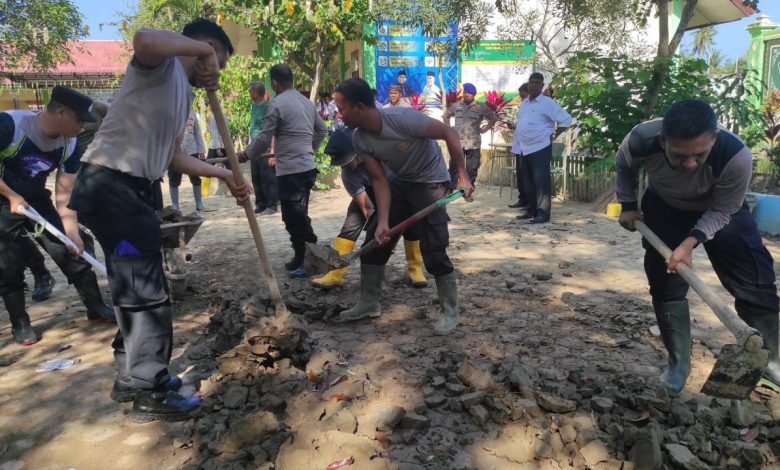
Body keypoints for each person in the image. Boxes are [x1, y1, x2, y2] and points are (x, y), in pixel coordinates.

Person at [68, 18, 250, 421]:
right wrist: (202, 51)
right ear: (201, 47)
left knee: (132, 282)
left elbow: (173, 157)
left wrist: (223, 174)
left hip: (128, 189)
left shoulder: (183, 94)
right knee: (145, 288)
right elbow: (144, 39)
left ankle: (130, 373)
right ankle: (148, 389)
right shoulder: (161, 66)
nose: (215, 73)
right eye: (215, 61)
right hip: (111, 185)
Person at [617, 99, 780, 395]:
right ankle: (679, 363)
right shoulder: (640, 140)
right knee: (664, 282)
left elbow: (724, 210)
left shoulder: (734, 155)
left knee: (755, 281)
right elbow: (624, 167)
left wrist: (691, 241)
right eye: (679, 155)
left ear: (714, 138)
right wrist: (628, 205)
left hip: (721, 209)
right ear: (663, 141)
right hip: (665, 206)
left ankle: (771, 362)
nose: (690, 164)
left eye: (700, 154)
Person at [331, 78, 473, 335]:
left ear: (359, 107)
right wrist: (384, 222)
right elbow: (379, 180)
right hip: (400, 181)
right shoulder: (360, 139)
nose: (338, 114)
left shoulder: (402, 118)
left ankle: (450, 310)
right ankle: (369, 302)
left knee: (434, 248)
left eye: (341, 109)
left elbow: (449, 133)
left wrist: (462, 174)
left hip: (430, 181)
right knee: (375, 238)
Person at [0, 86, 116, 346]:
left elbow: (65, 192)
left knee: (70, 248)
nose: (83, 126)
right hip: (3, 200)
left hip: (36, 199)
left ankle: (96, 306)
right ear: (61, 112)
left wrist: (71, 231)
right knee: (8, 263)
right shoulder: (10, 125)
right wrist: (11, 196)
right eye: (79, 119)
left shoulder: (70, 144)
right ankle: (20, 323)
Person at [241, 64, 328, 278]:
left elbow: (264, 138)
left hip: (291, 172)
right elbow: (322, 130)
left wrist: (245, 155)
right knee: (294, 216)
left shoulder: (277, 104)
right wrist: (308, 148)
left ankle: (311, 260)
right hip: (306, 169)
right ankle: (300, 256)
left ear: (274, 83)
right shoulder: (305, 102)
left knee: (295, 218)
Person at [313, 129, 427, 289]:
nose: (345, 165)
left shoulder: (383, 156)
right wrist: (380, 234)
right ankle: (334, 275)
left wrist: (392, 236)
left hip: (398, 189)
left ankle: (415, 270)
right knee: (350, 226)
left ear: (357, 151)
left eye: (347, 160)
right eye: (341, 163)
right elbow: (367, 208)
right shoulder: (348, 175)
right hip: (370, 193)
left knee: (411, 227)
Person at [514, 72, 572, 224]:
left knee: (541, 182)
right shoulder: (525, 103)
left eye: (537, 83)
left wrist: (554, 135)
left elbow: (566, 120)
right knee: (528, 182)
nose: (534, 85)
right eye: (531, 82)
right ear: (528, 84)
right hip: (524, 148)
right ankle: (532, 209)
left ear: (542, 86)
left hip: (540, 147)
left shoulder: (548, 103)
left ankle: (543, 213)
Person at [443, 82, 496, 188]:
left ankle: (468, 190)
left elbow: (493, 118)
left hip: (473, 143)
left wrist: (485, 130)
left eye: (469, 93)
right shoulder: (457, 105)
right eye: (465, 92)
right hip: (458, 143)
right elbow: (446, 116)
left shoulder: (480, 107)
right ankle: (450, 189)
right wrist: (449, 129)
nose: (466, 94)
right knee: (454, 167)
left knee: (471, 169)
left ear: (473, 94)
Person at [249, 81, 278, 215]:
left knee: (268, 177)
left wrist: (273, 151)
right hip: (254, 146)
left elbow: (272, 131)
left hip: (265, 147)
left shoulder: (268, 107)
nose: (249, 93)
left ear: (255, 93)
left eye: (250, 91)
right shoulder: (254, 107)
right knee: (256, 177)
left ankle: (271, 205)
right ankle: (260, 203)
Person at [168, 108, 206, 211]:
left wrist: (201, 150)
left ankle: (199, 202)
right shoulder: (172, 109)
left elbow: (197, 132)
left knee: (195, 176)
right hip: (175, 150)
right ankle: (175, 204)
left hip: (191, 149)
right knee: (174, 177)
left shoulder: (192, 112)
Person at [508, 83, 531, 209]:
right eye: (521, 97)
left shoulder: (534, 107)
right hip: (519, 145)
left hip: (529, 146)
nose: (522, 99)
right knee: (520, 174)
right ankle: (522, 198)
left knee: (527, 176)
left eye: (523, 96)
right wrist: (513, 126)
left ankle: (529, 201)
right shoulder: (522, 107)